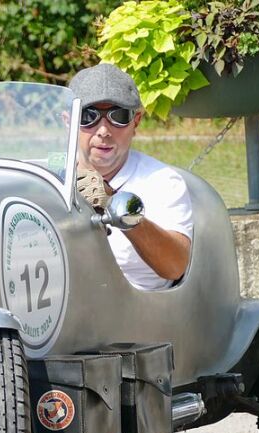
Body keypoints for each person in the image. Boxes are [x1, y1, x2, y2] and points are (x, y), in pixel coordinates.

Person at [69, 63, 192, 290]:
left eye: (118, 116)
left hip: (136, 314)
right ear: (68, 121)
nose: (104, 131)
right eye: (88, 116)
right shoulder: (46, 177)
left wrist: (114, 205)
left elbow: (175, 266)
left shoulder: (162, 182)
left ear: (135, 122)